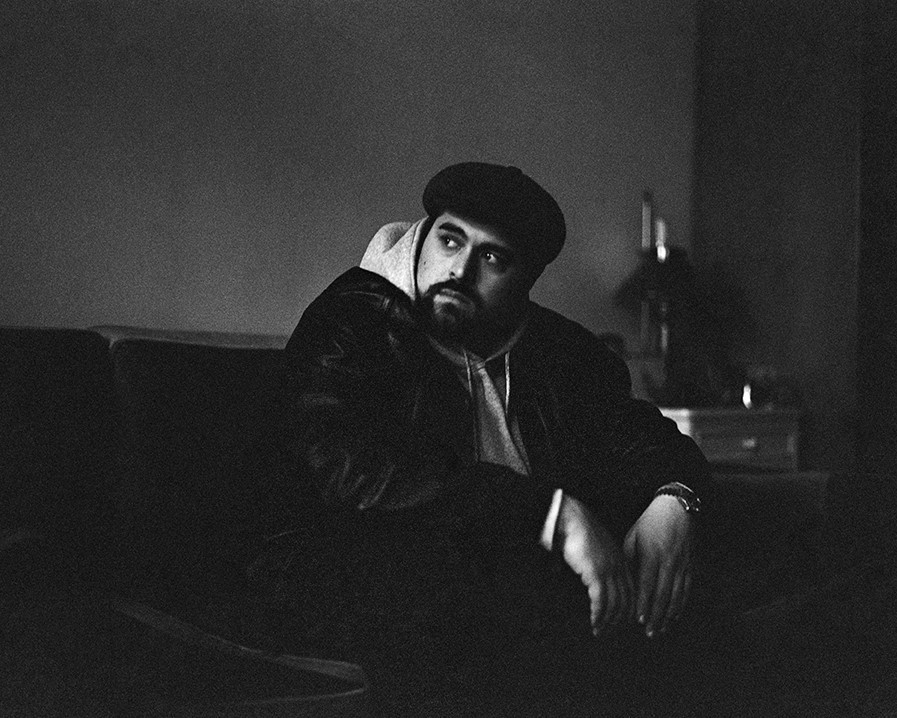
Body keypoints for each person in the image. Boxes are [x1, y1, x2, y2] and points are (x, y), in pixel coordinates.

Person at [238, 162, 711, 717]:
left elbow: (644, 437)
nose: (458, 270)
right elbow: (354, 471)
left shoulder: (563, 352)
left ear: (526, 282)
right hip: (353, 571)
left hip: (512, 589)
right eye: (449, 239)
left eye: (492, 258)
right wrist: (553, 514)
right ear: (424, 236)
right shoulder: (353, 322)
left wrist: (675, 499)